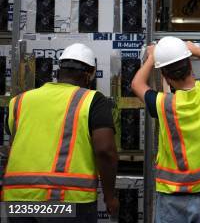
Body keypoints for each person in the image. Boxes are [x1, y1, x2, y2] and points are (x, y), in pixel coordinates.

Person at [2, 43, 119, 222]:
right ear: (89, 74)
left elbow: (13, 146)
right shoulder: (92, 100)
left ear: (59, 71)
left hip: (17, 197)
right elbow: (105, 150)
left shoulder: (19, 101)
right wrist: (110, 196)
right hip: (65, 199)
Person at [131, 37, 200, 223]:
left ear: (166, 76)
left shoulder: (163, 104)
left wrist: (151, 58)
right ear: (190, 66)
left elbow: (137, 84)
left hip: (175, 197)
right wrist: (196, 50)